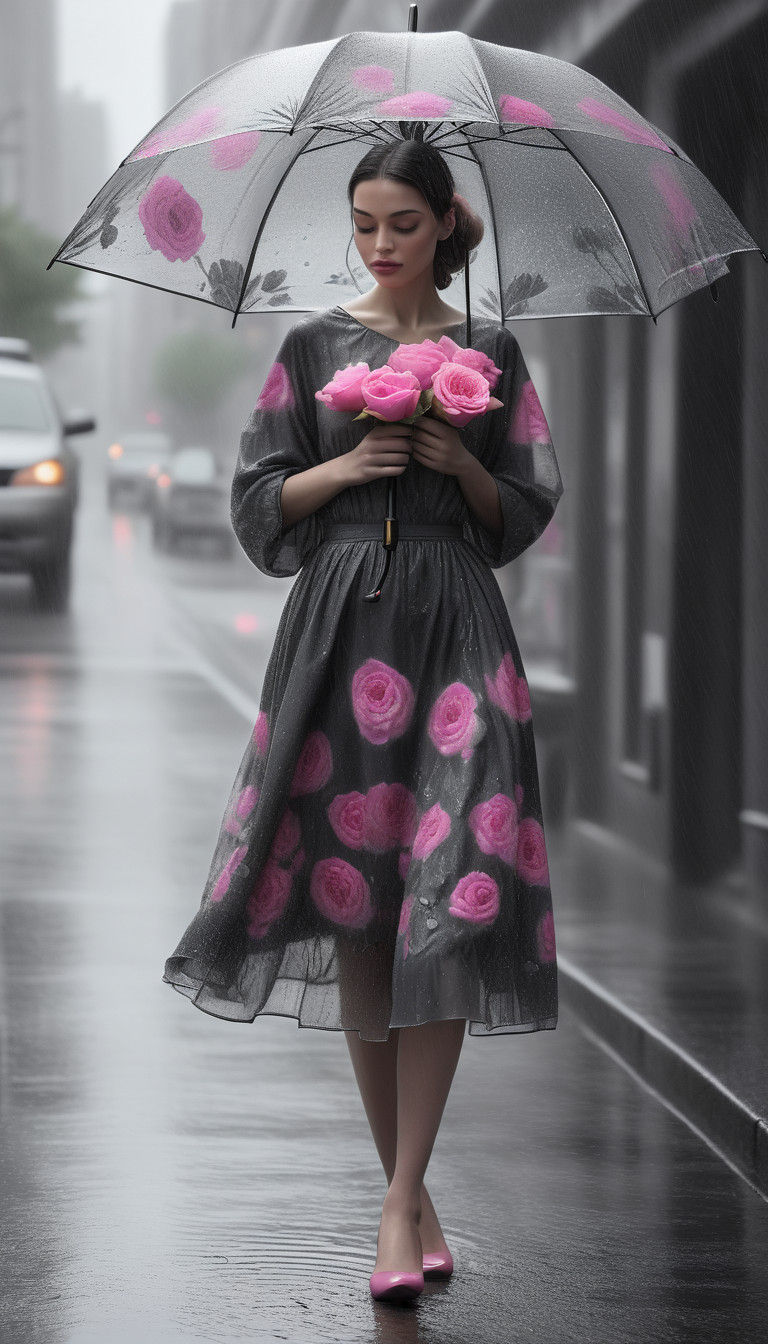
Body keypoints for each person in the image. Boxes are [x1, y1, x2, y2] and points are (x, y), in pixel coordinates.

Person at [162, 138, 564, 1304]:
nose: (380, 244)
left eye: (402, 222)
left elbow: (525, 504)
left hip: (458, 633)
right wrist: (347, 471)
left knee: (456, 890)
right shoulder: (309, 345)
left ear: (447, 223)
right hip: (340, 635)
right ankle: (415, 1193)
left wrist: (457, 462)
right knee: (359, 910)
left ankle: (395, 1204)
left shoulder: (491, 347)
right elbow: (257, 502)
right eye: (365, 222)